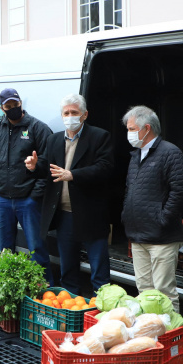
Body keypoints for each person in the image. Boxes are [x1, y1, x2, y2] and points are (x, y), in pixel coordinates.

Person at [25, 94, 115, 294]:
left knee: (99, 270)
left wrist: (73, 175)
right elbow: (48, 167)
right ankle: (70, 304)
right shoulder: (54, 139)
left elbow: (105, 168)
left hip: (90, 214)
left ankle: (102, 306)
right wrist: (35, 166)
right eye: (66, 113)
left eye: (74, 112)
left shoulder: (99, 137)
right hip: (64, 214)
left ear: (85, 115)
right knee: (68, 268)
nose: (70, 116)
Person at [0, 88, 54, 284]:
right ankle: (8, 289)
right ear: (2, 108)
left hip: (28, 202)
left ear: (21, 103)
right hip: (1, 201)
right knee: (4, 251)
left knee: (37, 249)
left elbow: (49, 163)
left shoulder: (38, 128)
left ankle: (44, 290)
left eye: (16, 104)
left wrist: (35, 196)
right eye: (8, 106)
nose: (13, 108)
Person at [121, 106, 183, 311]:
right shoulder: (136, 155)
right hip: (137, 235)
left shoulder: (170, 152)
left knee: (164, 292)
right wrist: (126, 215)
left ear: (147, 128)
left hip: (162, 237)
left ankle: (170, 329)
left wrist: (162, 219)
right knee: (144, 291)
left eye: (132, 129)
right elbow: (129, 189)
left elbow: (180, 192)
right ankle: (150, 329)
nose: (129, 133)